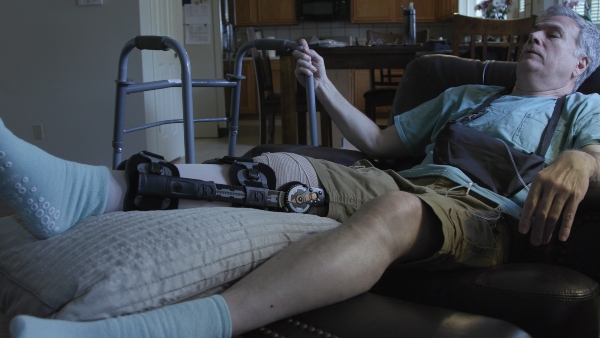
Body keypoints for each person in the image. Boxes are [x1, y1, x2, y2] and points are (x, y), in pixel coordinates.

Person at [6, 5, 600, 338]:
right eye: (532, 30)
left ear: (581, 62)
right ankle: (88, 190)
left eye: (552, 33)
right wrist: (321, 87)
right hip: (404, 181)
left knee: (395, 210)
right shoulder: (464, 94)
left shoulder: (583, 108)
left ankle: (188, 326)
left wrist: (580, 156)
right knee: (278, 163)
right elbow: (377, 140)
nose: (534, 39)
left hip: (484, 216)